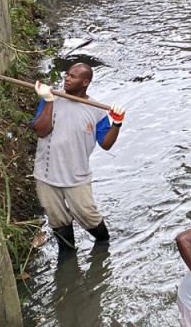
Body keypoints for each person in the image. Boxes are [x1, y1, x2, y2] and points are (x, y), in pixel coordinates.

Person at [31, 62, 126, 250]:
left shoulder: (96, 110)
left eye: (73, 76)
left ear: (85, 83)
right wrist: (48, 101)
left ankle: (104, 247)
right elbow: (41, 131)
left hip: (77, 177)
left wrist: (116, 123)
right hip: (46, 174)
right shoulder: (52, 98)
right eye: (67, 74)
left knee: (88, 216)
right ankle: (67, 257)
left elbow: (106, 144)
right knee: (57, 220)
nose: (67, 78)